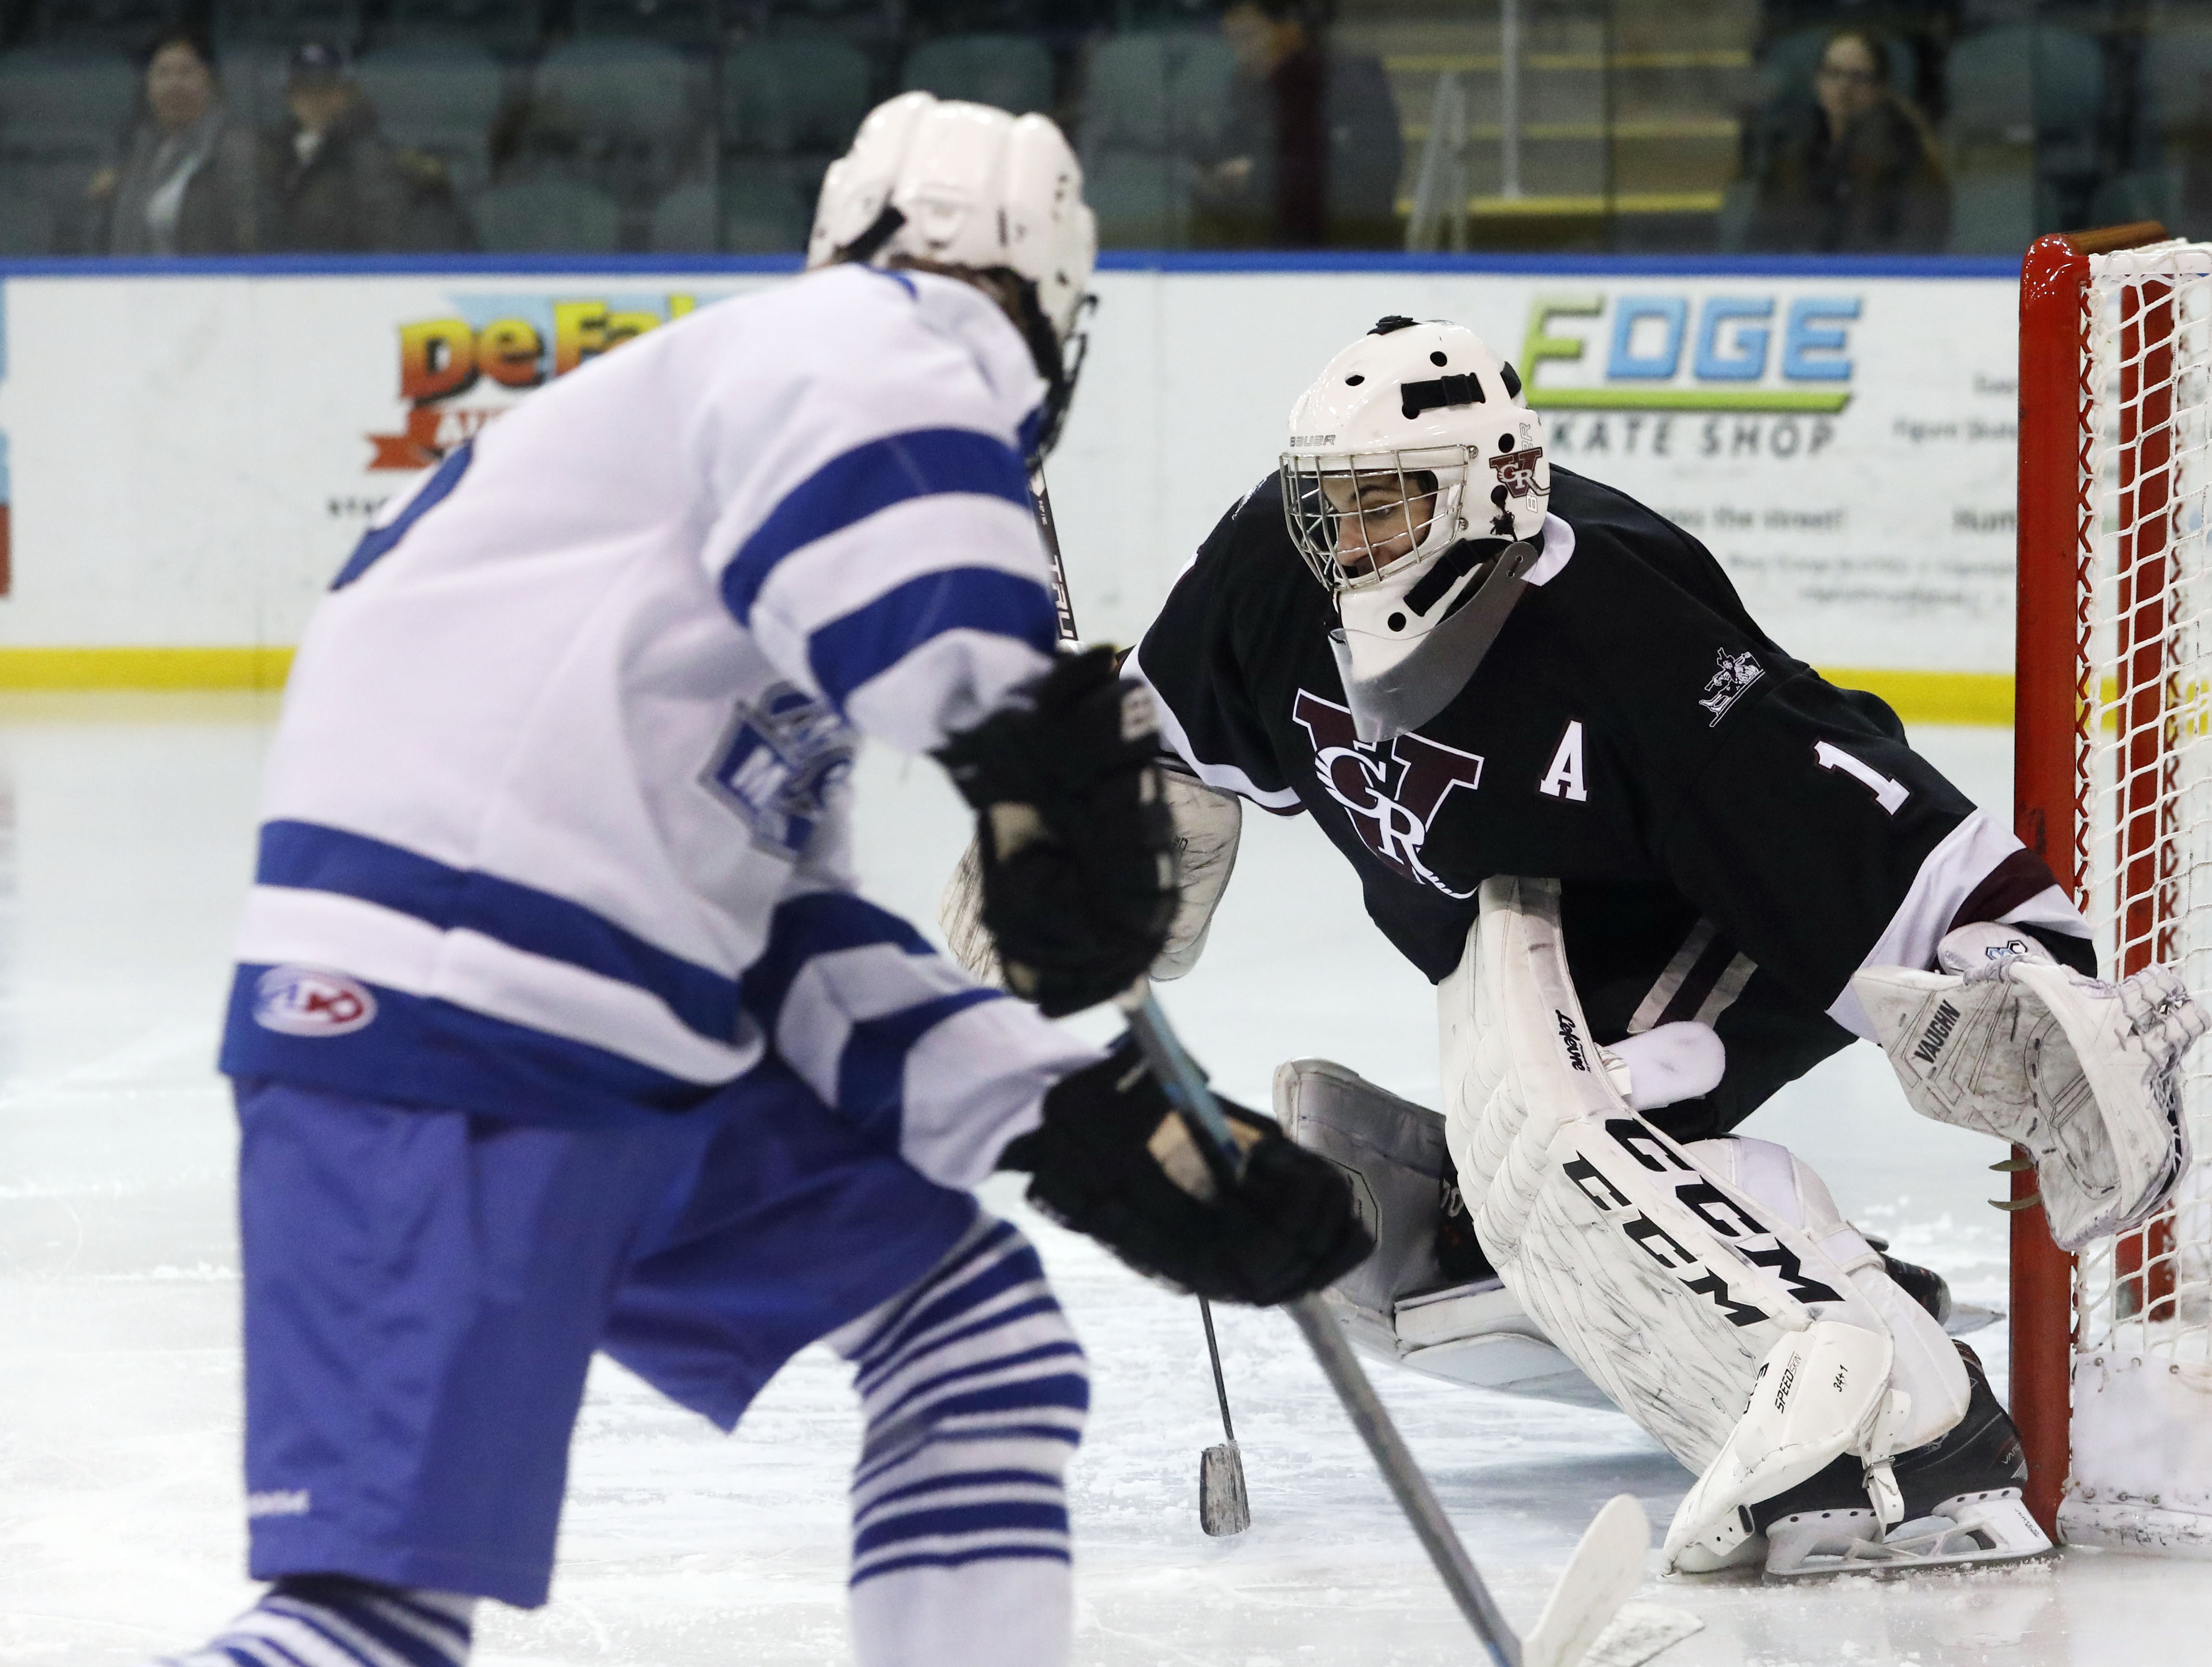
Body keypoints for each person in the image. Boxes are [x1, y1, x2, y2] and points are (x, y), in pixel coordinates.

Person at [149, 92, 1368, 1667]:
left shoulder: (731, 500)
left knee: (975, 1343)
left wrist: (1071, 1113)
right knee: (366, 1628)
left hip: (605, 1043)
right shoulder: (860, 360)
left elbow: (791, 942)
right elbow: (932, 543)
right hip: (445, 1040)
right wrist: (1028, 741)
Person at [1083, 315, 2205, 1576]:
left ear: (1490, 489)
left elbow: (1840, 803)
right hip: (1536, 928)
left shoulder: (1623, 630)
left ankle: (1912, 1428)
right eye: (1328, 508)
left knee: (1567, 1138)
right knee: (1528, 1174)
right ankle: (1696, 1260)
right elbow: (1156, 737)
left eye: (1382, 506)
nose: (1343, 546)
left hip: (1710, 910)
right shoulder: (1270, 575)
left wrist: (2016, 957)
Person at [1191, 0, 1403, 248]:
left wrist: (1257, 176)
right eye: (1232, 41)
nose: (1241, 51)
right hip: (1266, 248)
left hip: (1345, 250)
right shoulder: (1246, 87)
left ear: (1287, 31)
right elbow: (1226, 156)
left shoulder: (1349, 80)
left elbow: (1369, 176)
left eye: (1248, 36)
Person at [1744, 28, 1948, 253]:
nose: (1844, 87)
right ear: (1817, 81)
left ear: (1881, 87)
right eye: (1833, 73)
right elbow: (1762, 243)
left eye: (1859, 77)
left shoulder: (1911, 163)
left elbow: (1917, 249)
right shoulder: (1791, 159)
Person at [265, 42, 470, 253]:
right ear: (289, 97)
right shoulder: (270, 157)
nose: (316, 100)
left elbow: (388, 245)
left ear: (351, 93)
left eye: (328, 88)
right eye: (304, 89)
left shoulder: (382, 162)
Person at [89, 27, 259, 256]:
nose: (174, 85)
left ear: (211, 82)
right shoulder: (134, 152)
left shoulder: (237, 150)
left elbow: (248, 238)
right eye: (163, 73)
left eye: (186, 73)